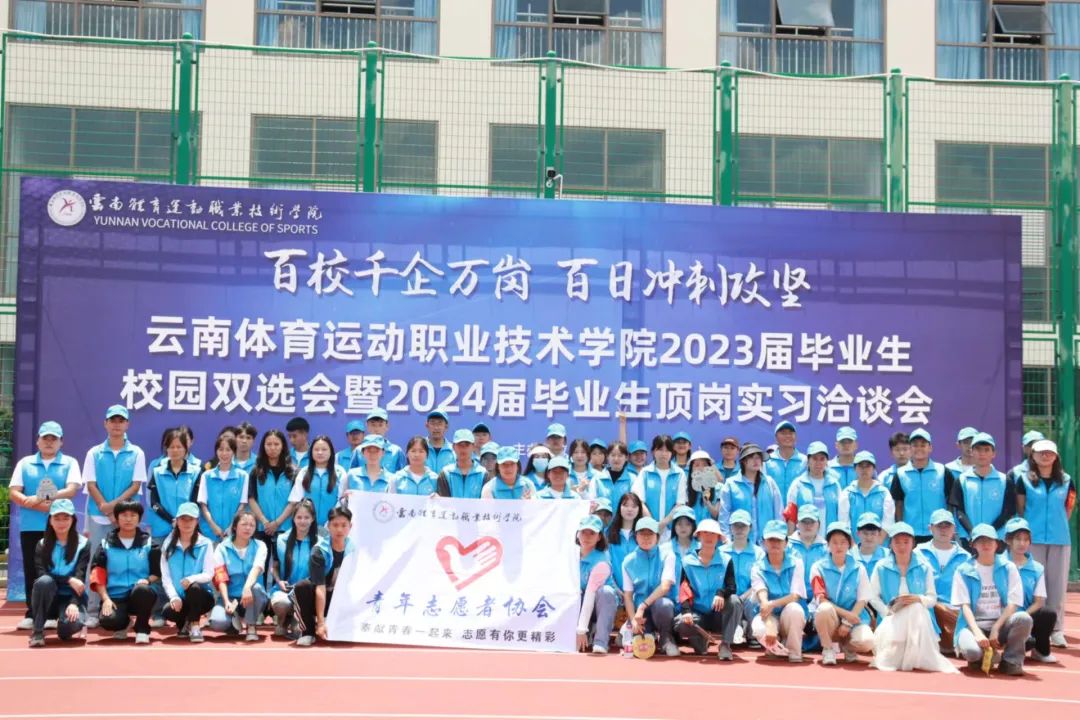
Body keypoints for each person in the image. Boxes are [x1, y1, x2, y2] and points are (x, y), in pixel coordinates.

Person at [10, 421, 82, 630]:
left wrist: (40, 498)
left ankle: (52, 614)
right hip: (31, 526)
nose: (49, 442)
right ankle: (32, 613)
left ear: (61, 442)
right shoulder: (25, 463)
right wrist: (29, 502)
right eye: (45, 438)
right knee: (33, 569)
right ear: (38, 441)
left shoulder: (69, 462)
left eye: (54, 439)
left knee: (56, 568)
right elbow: (14, 491)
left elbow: (71, 490)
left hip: (60, 526)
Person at [82, 405, 147, 627]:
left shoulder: (137, 453)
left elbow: (135, 485)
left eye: (121, 420)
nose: (117, 424)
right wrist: (106, 508)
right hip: (98, 516)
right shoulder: (94, 453)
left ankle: (123, 609)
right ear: (106, 424)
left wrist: (115, 510)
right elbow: (91, 484)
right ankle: (92, 611)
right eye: (113, 420)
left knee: (123, 564)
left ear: (127, 424)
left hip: (125, 519)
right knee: (96, 563)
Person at [870, 522, 956, 673]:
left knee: (915, 607)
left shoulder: (924, 566)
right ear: (890, 544)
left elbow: (932, 598)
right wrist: (886, 611)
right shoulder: (881, 566)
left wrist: (919, 599)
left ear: (913, 543)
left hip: (920, 620)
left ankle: (915, 655)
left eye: (906, 542)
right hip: (892, 617)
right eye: (897, 542)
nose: (902, 546)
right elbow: (872, 596)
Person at [951, 523, 1033, 676]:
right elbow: (965, 606)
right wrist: (977, 633)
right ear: (973, 544)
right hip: (973, 625)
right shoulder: (963, 570)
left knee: (1024, 618)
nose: (985, 544)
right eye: (980, 540)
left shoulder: (1009, 567)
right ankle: (981, 655)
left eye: (989, 540)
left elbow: (1013, 603)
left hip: (1001, 624)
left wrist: (996, 627)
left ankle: (1011, 661)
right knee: (972, 652)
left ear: (997, 543)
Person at [1016, 438, 1074, 648]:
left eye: (1050, 452)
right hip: (1033, 539)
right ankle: (1035, 628)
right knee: (1034, 585)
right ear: (1033, 455)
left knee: (1057, 585)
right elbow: (1021, 509)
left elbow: (1069, 507)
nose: (1045, 456)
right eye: (1041, 452)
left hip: (1060, 538)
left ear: (1056, 456)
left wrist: (1057, 525)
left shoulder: (1067, 480)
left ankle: (1057, 630)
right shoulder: (1023, 479)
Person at [89, 499, 159, 644]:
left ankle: (142, 628)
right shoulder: (105, 544)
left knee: (143, 590)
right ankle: (124, 623)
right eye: (124, 515)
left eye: (133, 515)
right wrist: (106, 599)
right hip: (115, 596)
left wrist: (147, 580)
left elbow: (157, 572)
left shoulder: (148, 543)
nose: (128, 519)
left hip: (140, 594)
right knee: (108, 621)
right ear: (116, 518)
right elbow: (98, 574)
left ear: (139, 518)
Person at [676, 518, 741, 660]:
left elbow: (732, 587)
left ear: (718, 537)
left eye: (713, 534)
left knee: (735, 601)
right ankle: (700, 638)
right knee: (680, 623)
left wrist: (721, 593)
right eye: (705, 533)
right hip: (698, 614)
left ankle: (725, 645)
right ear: (698, 535)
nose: (709, 537)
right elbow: (683, 590)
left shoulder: (726, 560)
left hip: (719, 613)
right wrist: (686, 611)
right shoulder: (687, 561)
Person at [810, 521, 873, 665]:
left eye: (843, 542)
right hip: (831, 616)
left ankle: (848, 647)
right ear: (828, 544)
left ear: (849, 544)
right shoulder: (817, 568)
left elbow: (862, 600)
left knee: (867, 641)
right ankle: (828, 648)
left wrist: (848, 622)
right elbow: (821, 598)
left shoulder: (859, 568)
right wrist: (846, 615)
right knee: (823, 609)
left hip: (854, 618)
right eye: (834, 542)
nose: (839, 546)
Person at [28, 499, 89, 647]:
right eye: (57, 518)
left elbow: (80, 577)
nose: (61, 523)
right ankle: (37, 631)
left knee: (67, 628)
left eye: (66, 518)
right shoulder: (42, 544)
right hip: (49, 595)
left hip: (70, 596)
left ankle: (68, 624)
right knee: (44, 582)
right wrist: (68, 579)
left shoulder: (84, 544)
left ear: (73, 520)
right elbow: (42, 573)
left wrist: (74, 603)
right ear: (50, 521)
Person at [293, 506, 354, 646]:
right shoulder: (319, 551)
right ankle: (308, 631)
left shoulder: (354, 549)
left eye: (344, 525)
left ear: (350, 526)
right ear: (328, 526)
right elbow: (320, 587)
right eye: (335, 525)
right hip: (320, 595)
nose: (339, 530)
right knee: (302, 587)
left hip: (341, 597)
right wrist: (320, 623)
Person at [621, 517, 679, 657]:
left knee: (664, 604)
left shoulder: (668, 555)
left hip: (661, 608)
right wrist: (633, 619)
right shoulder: (628, 561)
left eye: (650, 534)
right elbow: (628, 596)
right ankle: (634, 631)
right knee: (638, 646)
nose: (646, 538)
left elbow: (665, 586)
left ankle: (666, 639)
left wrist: (643, 606)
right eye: (642, 533)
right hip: (641, 614)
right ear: (636, 536)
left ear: (657, 537)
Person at [158, 502, 215, 643]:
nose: (187, 523)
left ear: (197, 521)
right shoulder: (168, 544)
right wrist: (173, 597)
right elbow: (166, 577)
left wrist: (191, 579)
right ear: (176, 521)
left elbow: (209, 573)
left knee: (194, 587)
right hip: (179, 597)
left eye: (191, 519)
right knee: (167, 612)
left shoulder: (205, 543)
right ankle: (185, 622)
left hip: (201, 597)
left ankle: (195, 626)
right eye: (183, 519)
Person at [750, 519, 807, 661]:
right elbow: (763, 600)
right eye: (771, 540)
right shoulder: (757, 567)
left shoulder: (796, 563)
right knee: (758, 627)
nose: (775, 543)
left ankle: (794, 651)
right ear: (764, 542)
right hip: (769, 615)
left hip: (789, 615)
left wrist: (772, 604)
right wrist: (770, 625)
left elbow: (795, 596)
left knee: (795, 609)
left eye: (779, 540)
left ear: (786, 543)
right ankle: (775, 645)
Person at [1003, 517, 1057, 663]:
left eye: (1026, 540)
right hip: (1001, 616)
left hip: (1025, 616)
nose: (1022, 543)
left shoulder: (1037, 568)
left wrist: (1023, 619)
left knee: (1048, 613)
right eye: (1018, 539)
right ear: (1008, 540)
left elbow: (1039, 602)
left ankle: (1040, 651)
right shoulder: (998, 564)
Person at [916, 508, 970, 651]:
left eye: (947, 526)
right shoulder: (917, 554)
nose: (943, 529)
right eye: (939, 526)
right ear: (930, 528)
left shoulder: (966, 557)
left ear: (954, 528)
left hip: (954, 611)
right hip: (926, 609)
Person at [210, 510, 268, 641]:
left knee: (256, 588)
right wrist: (226, 601)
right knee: (217, 623)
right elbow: (220, 577)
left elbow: (257, 568)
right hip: (231, 597)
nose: (248, 528)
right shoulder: (221, 548)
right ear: (235, 526)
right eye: (244, 524)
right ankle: (233, 622)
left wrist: (247, 588)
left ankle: (251, 625)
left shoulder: (260, 546)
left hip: (253, 596)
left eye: (252, 525)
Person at [891, 428, 956, 545]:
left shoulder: (942, 471)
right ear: (910, 448)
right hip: (911, 533)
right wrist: (901, 528)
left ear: (930, 448)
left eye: (923, 445)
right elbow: (898, 504)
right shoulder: (901, 474)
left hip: (938, 531)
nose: (919, 448)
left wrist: (949, 528)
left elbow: (951, 503)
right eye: (915, 445)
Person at [951, 433, 1015, 542]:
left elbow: (1008, 512)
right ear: (972, 452)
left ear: (993, 453)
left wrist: (990, 532)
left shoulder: (1005, 480)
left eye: (986, 450)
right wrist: (972, 532)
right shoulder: (961, 480)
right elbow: (959, 511)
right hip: (969, 538)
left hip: (997, 538)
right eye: (978, 449)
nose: (982, 454)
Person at [717, 443, 783, 545]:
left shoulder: (770, 482)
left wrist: (777, 538)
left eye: (758, 457)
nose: (756, 461)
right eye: (751, 457)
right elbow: (724, 515)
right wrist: (727, 541)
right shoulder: (731, 484)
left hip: (767, 543)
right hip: (740, 544)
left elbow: (778, 513)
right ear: (743, 461)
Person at [270, 499, 317, 639]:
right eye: (299, 517)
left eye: (307, 517)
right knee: (281, 604)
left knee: (299, 633)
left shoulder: (319, 542)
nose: (303, 521)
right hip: (285, 590)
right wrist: (279, 581)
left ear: (313, 519)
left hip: (306, 593)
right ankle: (284, 620)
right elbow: (275, 566)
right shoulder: (281, 539)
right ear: (293, 518)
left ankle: (298, 618)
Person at [146, 428, 200, 545]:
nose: (175, 450)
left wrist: (182, 520)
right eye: (171, 447)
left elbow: (195, 501)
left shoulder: (196, 472)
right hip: (162, 530)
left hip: (187, 528)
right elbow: (154, 503)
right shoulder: (157, 472)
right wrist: (171, 520)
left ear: (185, 448)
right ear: (166, 449)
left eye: (179, 447)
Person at [720, 509, 764, 647]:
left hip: (749, 597)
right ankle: (734, 629)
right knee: (731, 602)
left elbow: (760, 581)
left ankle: (752, 633)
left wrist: (743, 597)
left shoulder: (759, 553)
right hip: (728, 599)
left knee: (756, 598)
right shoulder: (721, 552)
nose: (739, 529)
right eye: (736, 525)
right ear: (730, 528)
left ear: (750, 527)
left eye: (743, 526)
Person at [576, 515, 618, 654]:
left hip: (598, 605)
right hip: (579, 603)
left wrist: (581, 630)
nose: (587, 537)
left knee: (606, 592)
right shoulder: (570, 555)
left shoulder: (601, 562)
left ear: (599, 537)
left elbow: (590, 594)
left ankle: (601, 641)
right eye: (584, 532)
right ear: (577, 534)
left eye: (592, 533)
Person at [248, 429, 298, 543]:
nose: (272, 448)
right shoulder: (256, 471)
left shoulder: (293, 472)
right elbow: (251, 499)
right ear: (263, 446)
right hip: (262, 528)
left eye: (276, 444)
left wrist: (277, 523)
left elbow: (294, 502)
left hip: (286, 528)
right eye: (269, 444)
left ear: (283, 446)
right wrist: (265, 521)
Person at [197, 433, 249, 542]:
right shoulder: (206, 476)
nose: (224, 453)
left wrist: (231, 527)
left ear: (234, 452)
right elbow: (203, 505)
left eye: (228, 450)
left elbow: (242, 505)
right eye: (221, 449)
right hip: (209, 533)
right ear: (216, 451)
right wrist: (213, 526)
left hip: (233, 533)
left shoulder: (243, 476)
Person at [289, 435, 346, 530]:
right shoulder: (304, 472)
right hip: (306, 527)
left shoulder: (340, 472)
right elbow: (296, 501)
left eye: (324, 449)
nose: (320, 452)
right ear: (311, 452)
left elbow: (342, 501)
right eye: (316, 449)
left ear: (331, 452)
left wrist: (331, 521)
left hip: (332, 526)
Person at [785, 441, 841, 535]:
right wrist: (790, 538)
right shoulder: (797, 485)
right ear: (808, 460)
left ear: (827, 461)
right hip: (804, 540)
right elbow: (791, 516)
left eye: (822, 459)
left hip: (829, 539)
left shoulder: (834, 485)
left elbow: (841, 515)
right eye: (814, 458)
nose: (818, 463)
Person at [838, 451, 895, 530]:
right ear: (855, 469)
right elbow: (843, 522)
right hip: (853, 538)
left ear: (874, 469)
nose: (864, 469)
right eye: (860, 466)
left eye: (868, 466)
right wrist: (852, 538)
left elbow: (888, 522)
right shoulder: (847, 493)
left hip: (879, 538)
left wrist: (879, 538)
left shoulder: (884, 493)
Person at [787, 505, 827, 601]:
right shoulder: (787, 545)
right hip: (791, 599)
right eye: (804, 522)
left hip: (819, 599)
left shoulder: (826, 548)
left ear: (819, 524)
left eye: (812, 522)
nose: (808, 525)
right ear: (797, 524)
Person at [436, 429, 487, 499]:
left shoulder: (483, 474)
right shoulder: (445, 474)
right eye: (460, 445)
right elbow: (444, 502)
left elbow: (486, 502)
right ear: (453, 447)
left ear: (473, 447)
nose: (463, 448)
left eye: (467, 445)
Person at [607, 492, 643, 586]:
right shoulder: (608, 533)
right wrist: (615, 588)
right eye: (625, 505)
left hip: (640, 591)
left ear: (639, 509)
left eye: (634, 506)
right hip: (614, 589)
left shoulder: (644, 533)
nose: (629, 509)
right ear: (619, 507)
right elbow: (605, 563)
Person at [765, 421, 807, 502]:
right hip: (773, 508)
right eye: (783, 433)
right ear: (776, 438)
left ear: (795, 437)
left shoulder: (805, 461)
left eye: (791, 433)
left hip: (798, 508)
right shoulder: (767, 461)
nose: (788, 436)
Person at [365, 408, 405, 473]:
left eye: (380, 425)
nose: (376, 429)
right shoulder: (358, 451)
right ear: (367, 426)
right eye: (373, 425)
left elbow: (403, 476)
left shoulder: (396, 451)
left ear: (387, 426)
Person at [686, 449, 721, 522]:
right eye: (697, 465)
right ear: (691, 469)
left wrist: (707, 502)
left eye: (705, 465)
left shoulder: (719, 488)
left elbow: (717, 515)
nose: (701, 468)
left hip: (711, 528)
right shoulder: (685, 489)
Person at [855, 513, 890, 578]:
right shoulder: (849, 556)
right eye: (865, 533)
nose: (869, 537)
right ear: (858, 533)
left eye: (873, 533)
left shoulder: (888, 556)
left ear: (879, 534)